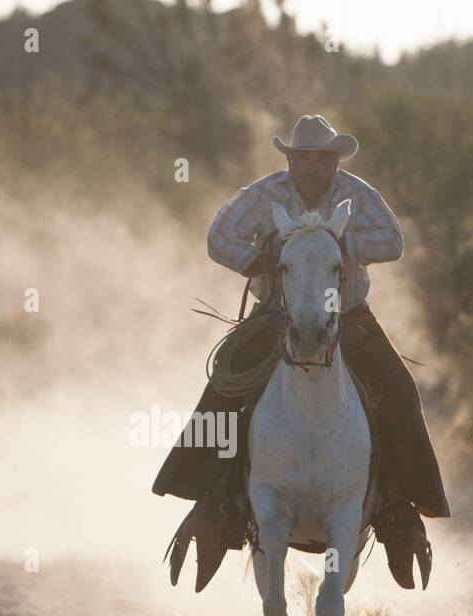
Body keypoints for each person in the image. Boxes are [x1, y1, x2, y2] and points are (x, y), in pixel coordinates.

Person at [153, 114, 449, 589]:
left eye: (321, 160)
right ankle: (215, 499)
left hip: (347, 315)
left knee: (398, 390)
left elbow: (392, 242)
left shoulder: (357, 194)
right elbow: (219, 236)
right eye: (302, 159)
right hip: (275, 312)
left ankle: (401, 508)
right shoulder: (264, 193)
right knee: (224, 389)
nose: (311, 168)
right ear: (289, 160)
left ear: (335, 162)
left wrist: (336, 243)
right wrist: (262, 260)